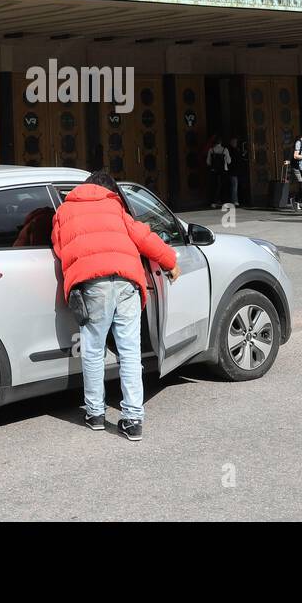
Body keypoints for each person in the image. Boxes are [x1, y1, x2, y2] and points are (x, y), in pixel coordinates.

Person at [51, 169, 179, 442]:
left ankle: (95, 414)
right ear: (107, 190)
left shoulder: (64, 211)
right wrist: (170, 261)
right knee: (130, 351)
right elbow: (144, 238)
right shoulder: (115, 207)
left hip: (93, 285)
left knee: (94, 349)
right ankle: (133, 420)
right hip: (127, 282)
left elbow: (60, 249)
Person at [206, 136, 232, 208]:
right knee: (224, 186)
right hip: (223, 170)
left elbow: (208, 162)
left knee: (214, 186)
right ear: (221, 142)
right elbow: (229, 161)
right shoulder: (225, 150)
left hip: (214, 171)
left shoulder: (211, 150)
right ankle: (224, 202)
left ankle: (213, 202)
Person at [227, 135, 248, 207]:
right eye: (234, 142)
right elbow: (233, 160)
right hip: (233, 171)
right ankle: (234, 201)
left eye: (236, 142)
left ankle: (239, 199)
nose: (235, 143)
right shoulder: (230, 150)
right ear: (231, 142)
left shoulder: (236, 149)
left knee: (237, 186)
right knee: (234, 186)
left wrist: (242, 154)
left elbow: (238, 158)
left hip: (237, 170)